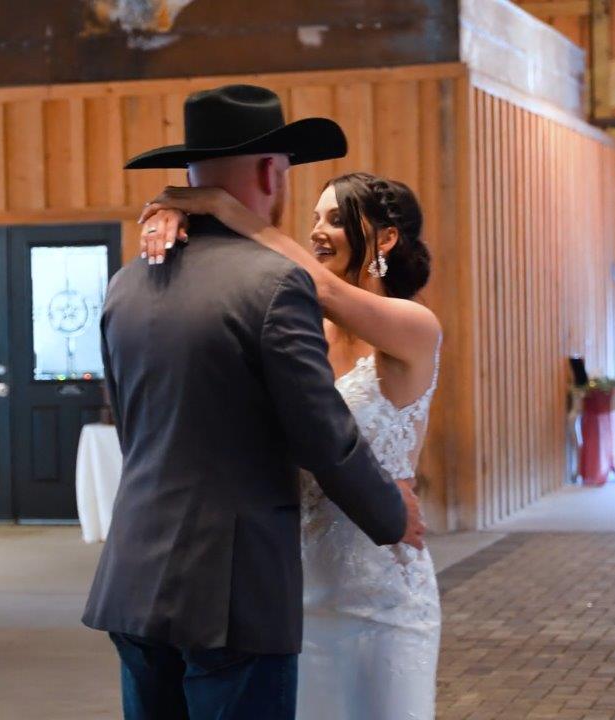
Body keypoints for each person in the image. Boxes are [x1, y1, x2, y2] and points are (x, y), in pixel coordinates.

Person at [82, 84, 425, 720]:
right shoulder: (271, 284)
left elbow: (133, 425)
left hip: (133, 576)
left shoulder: (125, 284)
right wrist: (388, 512)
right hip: (230, 589)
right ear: (272, 170)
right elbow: (320, 431)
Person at [139, 172, 442, 719]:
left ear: (386, 238)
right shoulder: (299, 329)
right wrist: (185, 217)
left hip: (377, 593)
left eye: (333, 219)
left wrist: (216, 202)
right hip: (289, 584)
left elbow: (321, 289)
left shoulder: (415, 326)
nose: (317, 232)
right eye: (313, 219)